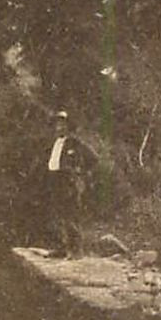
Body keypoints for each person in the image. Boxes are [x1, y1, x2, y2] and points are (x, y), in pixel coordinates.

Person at [42, 110, 95, 257]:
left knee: (70, 214)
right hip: (54, 179)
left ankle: (76, 250)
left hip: (68, 182)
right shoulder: (54, 143)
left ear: (68, 126)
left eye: (62, 124)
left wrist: (79, 173)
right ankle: (61, 248)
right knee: (56, 215)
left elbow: (93, 158)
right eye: (57, 124)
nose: (59, 127)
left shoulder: (75, 143)